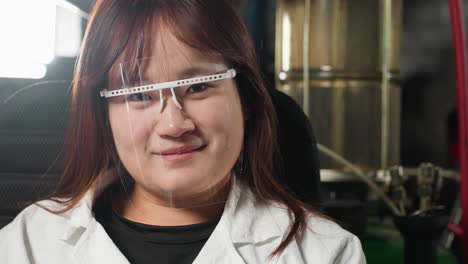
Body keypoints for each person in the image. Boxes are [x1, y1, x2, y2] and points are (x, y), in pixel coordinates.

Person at [0, 0, 366, 263]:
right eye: (139, 94)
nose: (174, 125)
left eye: (198, 87)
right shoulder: (28, 243)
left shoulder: (325, 252)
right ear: (102, 116)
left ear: (247, 99)